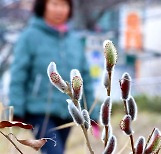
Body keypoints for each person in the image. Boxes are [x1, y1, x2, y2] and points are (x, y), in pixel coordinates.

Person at [8, 0, 99, 153]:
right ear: (43, 6)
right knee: (54, 151)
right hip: (38, 110)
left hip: (68, 111)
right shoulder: (29, 37)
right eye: (55, 4)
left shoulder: (74, 41)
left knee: (58, 150)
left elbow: (85, 80)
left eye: (64, 5)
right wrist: (16, 109)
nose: (59, 10)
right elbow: (18, 74)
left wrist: (93, 114)